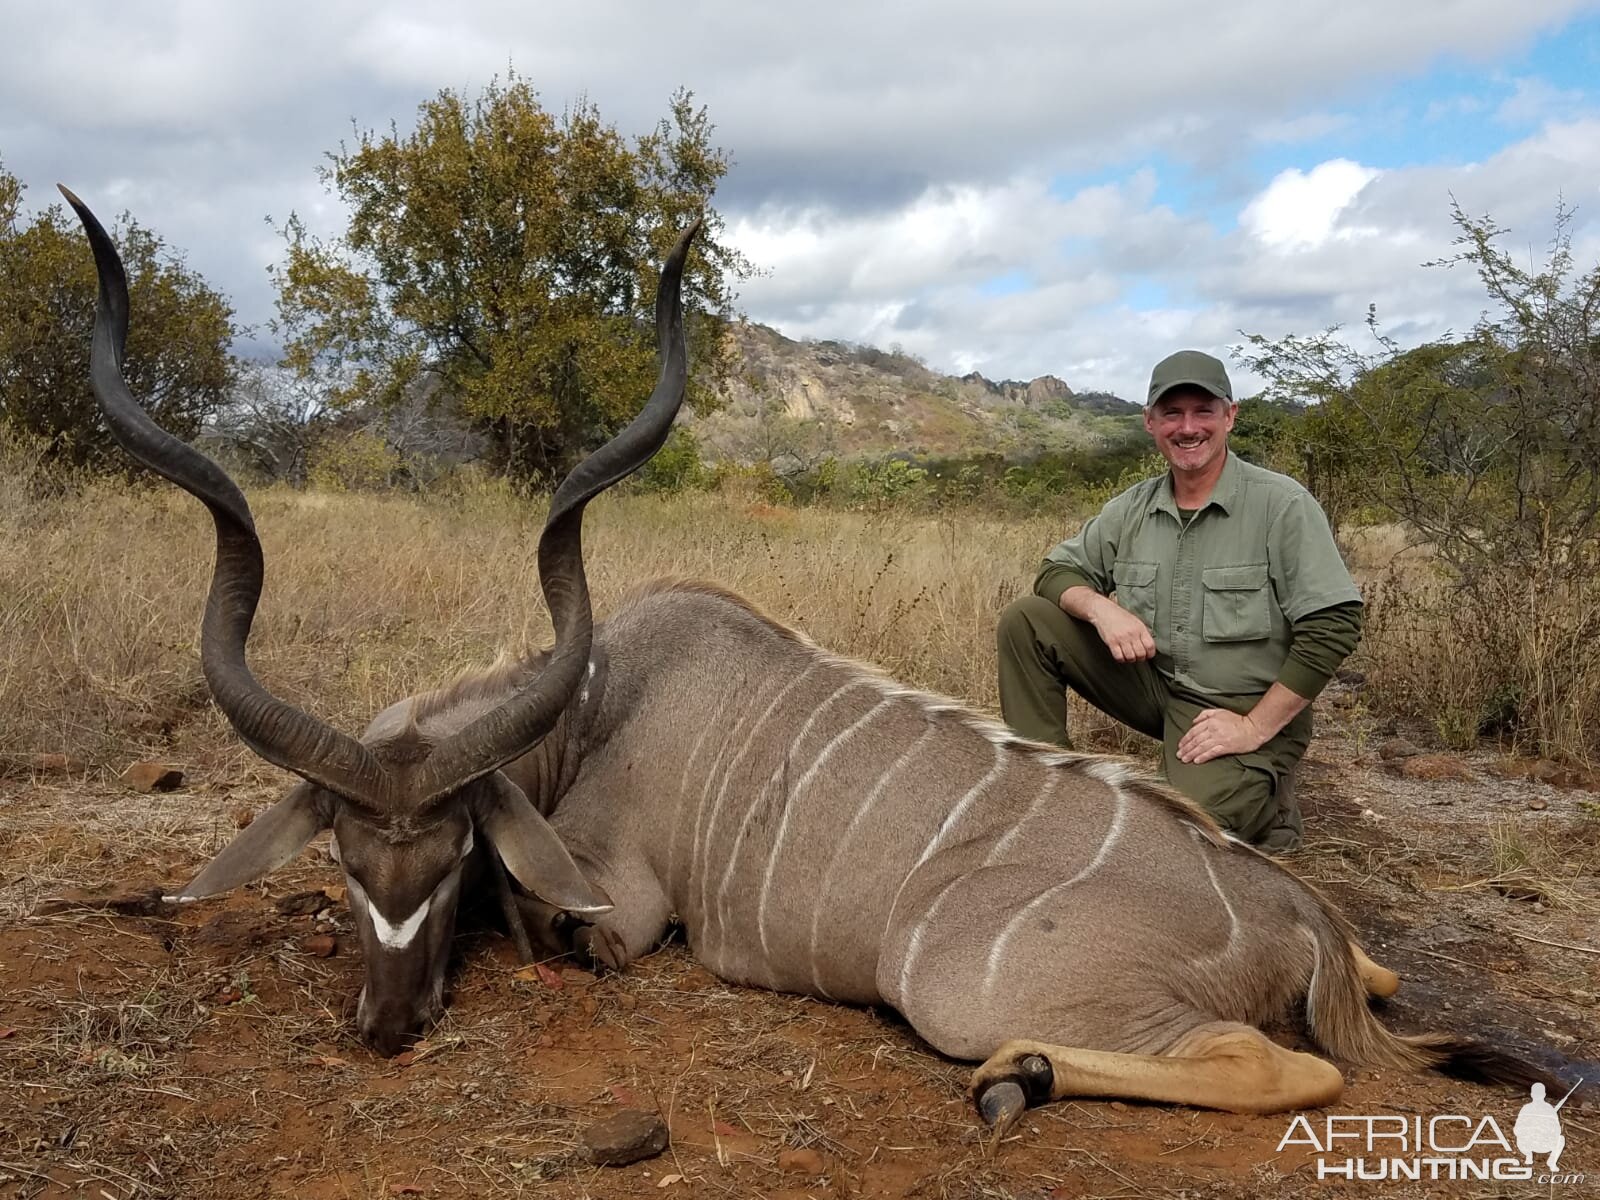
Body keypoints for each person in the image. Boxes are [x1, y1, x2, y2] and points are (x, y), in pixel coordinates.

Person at [995, 350, 1363, 852]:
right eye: (1172, 413)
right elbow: (1056, 572)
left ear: (1230, 416)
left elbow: (1334, 623)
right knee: (1027, 622)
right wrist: (1103, 609)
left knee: (1170, 840)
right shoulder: (1133, 507)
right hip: (1155, 686)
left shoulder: (1282, 505)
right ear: (1150, 422)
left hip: (1236, 709)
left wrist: (1254, 726)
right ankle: (1046, 793)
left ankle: (1268, 794)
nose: (1188, 428)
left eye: (1203, 411)